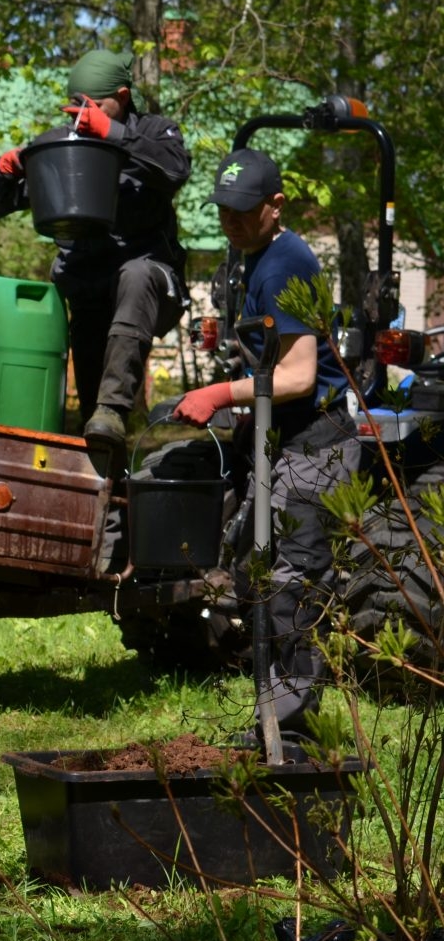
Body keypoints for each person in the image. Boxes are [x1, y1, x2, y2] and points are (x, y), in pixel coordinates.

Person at [173, 149, 358, 738]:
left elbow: (301, 376)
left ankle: (293, 741)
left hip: (316, 447)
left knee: (294, 590)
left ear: (275, 206)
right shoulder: (252, 258)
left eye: (242, 210)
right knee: (258, 582)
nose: (229, 220)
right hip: (281, 445)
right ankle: (270, 726)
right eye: (223, 209)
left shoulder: (283, 264)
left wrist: (221, 394)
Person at [0, 49, 191, 451]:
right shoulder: (68, 145)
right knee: (96, 429)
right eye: (76, 105)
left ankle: (113, 407)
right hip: (91, 293)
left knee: (137, 274)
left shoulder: (155, 133)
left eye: (92, 105)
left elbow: (176, 168)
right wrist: (0, 172)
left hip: (151, 287)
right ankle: (111, 501)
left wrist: (112, 133)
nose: (81, 113)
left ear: (122, 97)